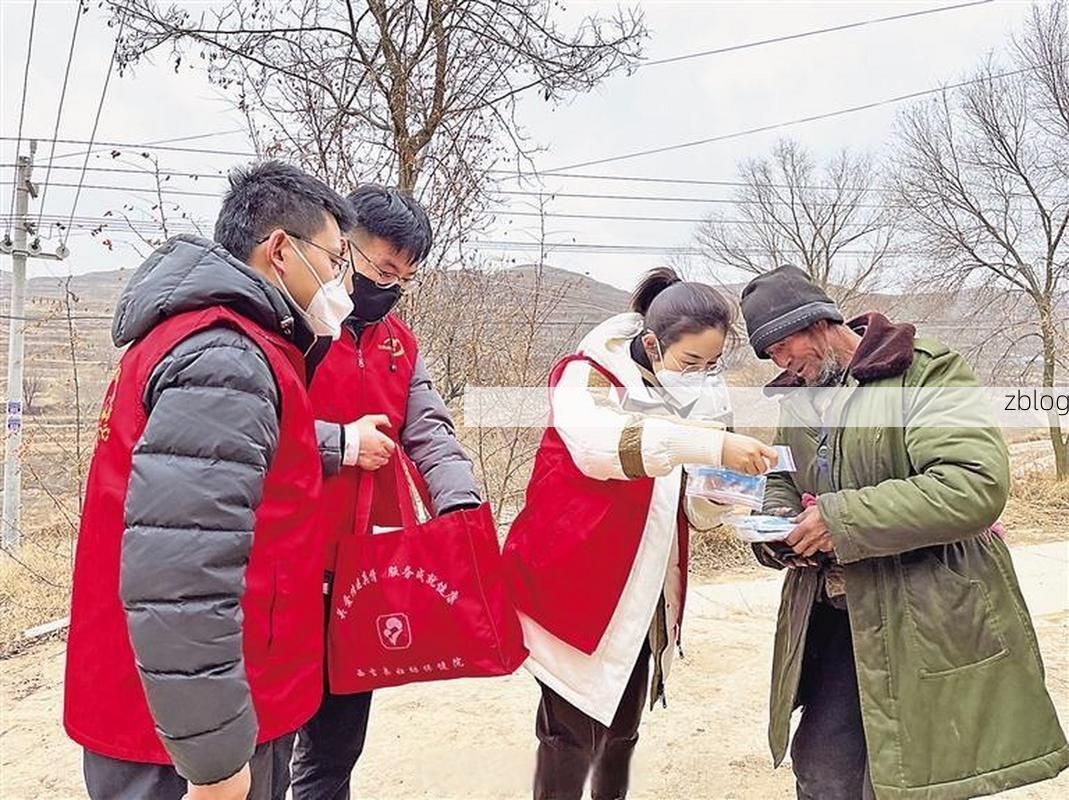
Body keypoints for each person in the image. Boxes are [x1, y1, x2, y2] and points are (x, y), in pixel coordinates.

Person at [64, 161, 358, 800]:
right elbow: (181, 575)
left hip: (194, 712)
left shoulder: (221, 344)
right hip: (182, 742)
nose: (341, 283)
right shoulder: (226, 358)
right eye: (335, 261)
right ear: (281, 250)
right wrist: (216, 761)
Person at [740, 264, 1069, 799]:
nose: (779, 365)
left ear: (814, 324)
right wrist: (774, 525)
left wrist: (839, 519)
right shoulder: (801, 395)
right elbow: (782, 472)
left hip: (925, 614)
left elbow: (973, 485)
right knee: (824, 773)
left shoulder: (923, 372)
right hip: (835, 621)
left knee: (909, 780)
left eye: (778, 348)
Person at [504, 267, 778, 800]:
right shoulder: (588, 376)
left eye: (712, 363)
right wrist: (712, 446)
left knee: (623, 733)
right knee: (570, 738)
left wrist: (722, 492)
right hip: (577, 581)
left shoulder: (695, 393)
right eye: (690, 361)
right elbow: (602, 445)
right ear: (652, 343)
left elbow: (690, 501)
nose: (700, 374)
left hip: (643, 590)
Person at [290, 185, 481, 800]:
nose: (391, 285)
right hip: (286, 562)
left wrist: (461, 507)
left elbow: (428, 429)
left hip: (358, 572)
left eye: (404, 276)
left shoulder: (400, 342)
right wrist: (338, 443)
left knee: (338, 743)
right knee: (268, 736)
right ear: (344, 248)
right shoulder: (294, 326)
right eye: (382, 268)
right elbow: (258, 421)